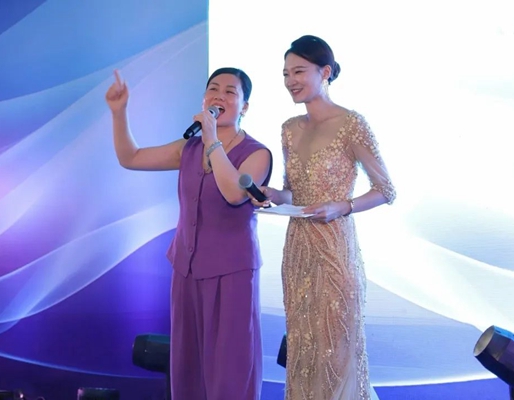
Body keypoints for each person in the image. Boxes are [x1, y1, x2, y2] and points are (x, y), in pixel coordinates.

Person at [105, 67, 272, 400]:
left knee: (229, 368)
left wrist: (212, 140)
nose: (219, 96)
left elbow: (233, 193)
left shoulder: (256, 153)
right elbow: (130, 157)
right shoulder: (189, 148)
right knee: (187, 367)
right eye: (213, 89)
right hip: (187, 270)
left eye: (230, 92)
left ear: (245, 106)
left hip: (231, 274)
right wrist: (119, 113)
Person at [252, 35, 396, 399]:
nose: (291, 81)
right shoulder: (289, 129)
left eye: (299, 71)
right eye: (286, 74)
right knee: (303, 349)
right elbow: (294, 192)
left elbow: (386, 190)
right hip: (298, 250)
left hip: (335, 249)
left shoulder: (351, 123)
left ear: (325, 72)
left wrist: (342, 206)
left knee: (336, 349)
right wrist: (274, 196)